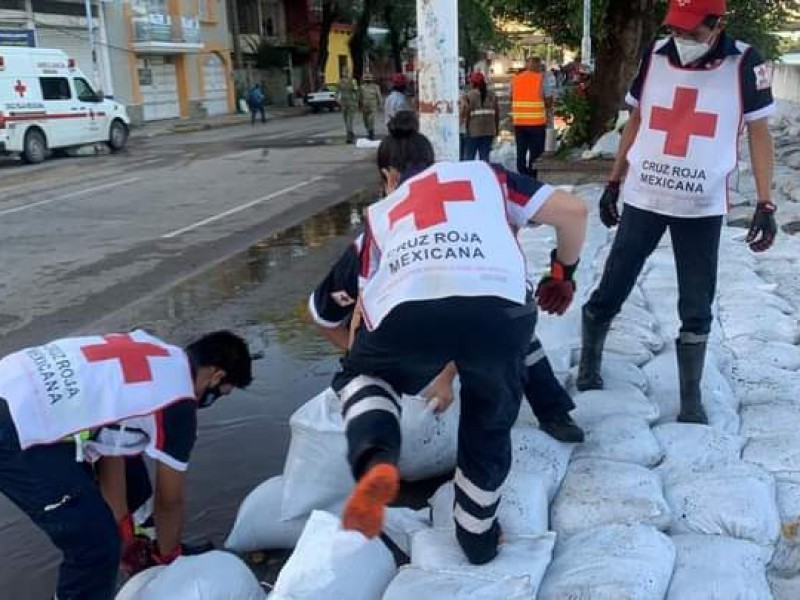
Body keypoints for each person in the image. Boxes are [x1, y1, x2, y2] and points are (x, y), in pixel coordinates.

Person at [332, 112, 587, 564]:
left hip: (408, 309)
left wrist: (368, 362)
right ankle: (476, 534)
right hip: (501, 310)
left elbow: (350, 313)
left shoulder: (382, 215)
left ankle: (375, 456)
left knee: (363, 374)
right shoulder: (486, 177)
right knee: (488, 419)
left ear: (389, 175)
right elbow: (574, 212)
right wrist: (562, 272)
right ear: (436, 159)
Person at [577, 0, 777, 425]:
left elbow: (760, 134)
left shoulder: (744, 62)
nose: (682, 38)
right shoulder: (655, 55)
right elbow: (636, 120)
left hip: (701, 206)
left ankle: (690, 399)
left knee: (696, 300)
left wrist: (765, 201)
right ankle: (589, 362)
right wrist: (614, 180)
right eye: (677, 29)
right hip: (645, 196)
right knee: (614, 282)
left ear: (718, 23)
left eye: (692, 30)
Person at [0, 330, 253, 599]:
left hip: (13, 380)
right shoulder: (179, 404)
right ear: (216, 376)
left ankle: (139, 544)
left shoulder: (148, 345)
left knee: (133, 482)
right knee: (94, 547)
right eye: (219, 393)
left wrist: (123, 529)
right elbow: (170, 501)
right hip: (16, 426)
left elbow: (113, 452)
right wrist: (170, 559)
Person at [308, 239, 585, 444]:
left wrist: (443, 377)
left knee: (514, 335)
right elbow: (325, 320)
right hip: (398, 338)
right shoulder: (365, 251)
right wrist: (370, 360)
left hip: (465, 321)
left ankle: (552, 411)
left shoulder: (449, 250)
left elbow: (466, 323)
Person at [510, 57, 553, 178]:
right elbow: (549, 101)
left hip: (519, 122)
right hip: (536, 123)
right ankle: (533, 176)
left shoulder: (516, 79)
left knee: (521, 151)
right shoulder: (542, 79)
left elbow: (511, 97)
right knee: (536, 153)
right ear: (538, 66)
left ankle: (522, 174)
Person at [463, 72, 499, 162]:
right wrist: (496, 129)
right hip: (489, 131)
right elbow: (497, 114)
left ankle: (470, 175)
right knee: (485, 159)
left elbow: (466, 114)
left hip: (474, 132)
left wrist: (466, 129)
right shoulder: (492, 95)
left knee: (469, 158)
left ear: (473, 83)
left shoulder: (470, 95)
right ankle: (484, 175)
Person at [338, 69, 359, 144]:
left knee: (348, 120)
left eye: (346, 72)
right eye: (344, 72)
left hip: (349, 102)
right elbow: (337, 91)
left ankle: (349, 136)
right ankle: (350, 133)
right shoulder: (340, 81)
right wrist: (337, 99)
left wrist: (356, 101)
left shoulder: (352, 81)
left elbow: (356, 92)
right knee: (347, 120)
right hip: (345, 103)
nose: (345, 73)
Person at [360, 73, 383, 141]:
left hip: (373, 105)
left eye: (369, 79)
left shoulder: (376, 87)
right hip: (365, 106)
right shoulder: (362, 87)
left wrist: (380, 104)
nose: (368, 80)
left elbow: (379, 96)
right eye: (366, 79)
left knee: (371, 120)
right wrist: (359, 105)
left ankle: (371, 133)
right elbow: (360, 97)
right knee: (365, 121)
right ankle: (368, 130)